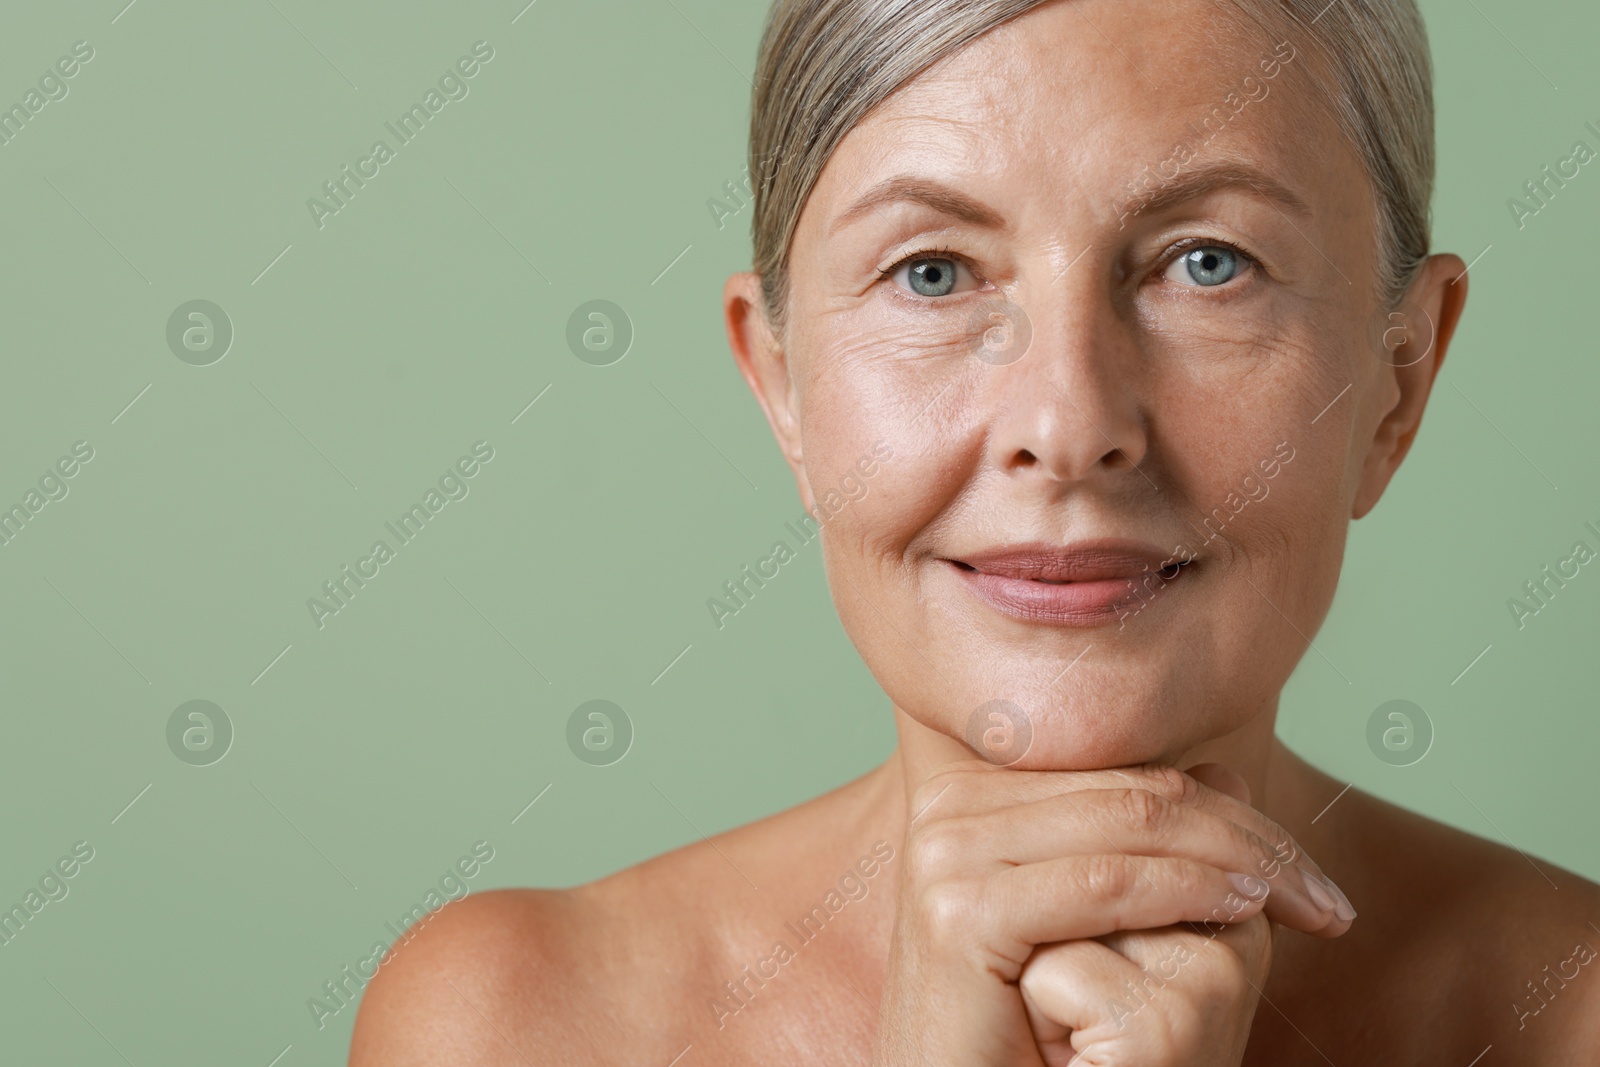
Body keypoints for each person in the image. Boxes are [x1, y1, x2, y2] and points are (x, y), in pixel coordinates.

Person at [349, 0, 1600, 1062]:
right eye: (933, 272)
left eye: (1207, 263)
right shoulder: (517, 1023)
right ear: (781, 387)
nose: (1068, 424)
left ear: (1398, 379)